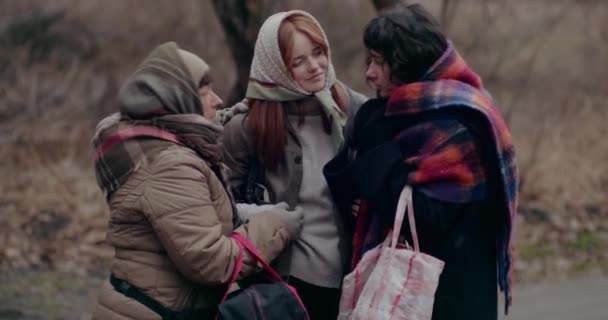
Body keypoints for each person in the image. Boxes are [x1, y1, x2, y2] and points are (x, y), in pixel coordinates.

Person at [323, 4, 519, 320]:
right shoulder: (398, 113)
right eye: (368, 59)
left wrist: (377, 156)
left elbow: (429, 216)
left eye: (380, 62)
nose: (369, 72)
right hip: (416, 293)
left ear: (407, 65)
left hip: (451, 295)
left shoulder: (458, 123)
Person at [91, 42, 303, 320]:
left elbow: (196, 213)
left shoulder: (153, 142)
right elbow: (211, 262)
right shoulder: (169, 165)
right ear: (178, 102)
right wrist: (275, 227)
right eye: (205, 93)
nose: (218, 100)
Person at [222, 10, 367, 320]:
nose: (315, 67)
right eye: (298, 62)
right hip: (281, 282)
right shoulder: (247, 127)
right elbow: (220, 204)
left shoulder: (355, 111)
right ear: (277, 69)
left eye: (318, 53)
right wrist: (266, 216)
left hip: (349, 277)